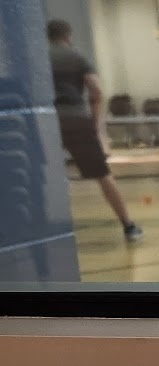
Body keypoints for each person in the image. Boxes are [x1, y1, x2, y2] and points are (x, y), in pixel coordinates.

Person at [46, 20, 143, 243]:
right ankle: (128, 226)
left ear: (49, 37)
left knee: (41, 176)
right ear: (68, 36)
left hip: (48, 121)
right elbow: (96, 90)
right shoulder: (77, 57)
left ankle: (42, 231)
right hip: (76, 119)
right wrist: (94, 123)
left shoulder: (41, 58)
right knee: (103, 176)